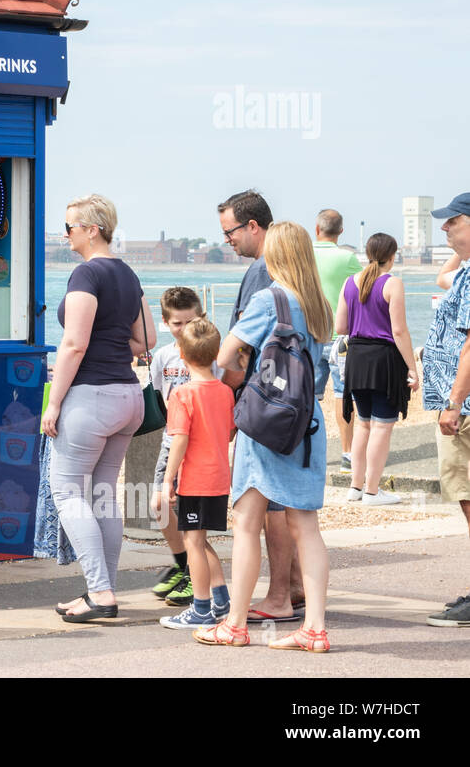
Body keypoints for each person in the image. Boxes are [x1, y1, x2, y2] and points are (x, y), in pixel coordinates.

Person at [195, 221, 333, 651]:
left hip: (267, 423)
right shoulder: (317, 304)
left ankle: (234, 624)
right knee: (305, 525)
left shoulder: (269, 298)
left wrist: (245, 373)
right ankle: (314, 627)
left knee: (246, 523)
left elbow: (222, 355)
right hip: (306, 424)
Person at [42, 194, 154, 622]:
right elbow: (147, 341)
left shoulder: (86, 274)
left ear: (92, 229)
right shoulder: (129, 274)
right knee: (104, 494)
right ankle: (102, 589)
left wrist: (53, 404)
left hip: (91, 398)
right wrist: (112, 340)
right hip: (128, 397)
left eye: (69, 227)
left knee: (68, 492)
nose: (65, 234)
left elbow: (74, 343)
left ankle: (100, 591)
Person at [216, 189, 303, 623]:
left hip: (263, 405)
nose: (227, 240)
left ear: (253, 226)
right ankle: (294, 589)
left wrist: (231, 397)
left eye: (230, 231)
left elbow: (235, 352)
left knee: (262, 507)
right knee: (290, 505)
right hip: (297, 408)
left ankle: (274, 597)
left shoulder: (260, 275)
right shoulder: (299, 283)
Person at [149, 287, 223, 606]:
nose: (183, 329)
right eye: (176, 323)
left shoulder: (210, 358)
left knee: (193, 523)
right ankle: (184, 567)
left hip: (193, 446)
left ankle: (197, 580)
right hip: (171, 440)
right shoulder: (164, 357)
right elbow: (156, 395)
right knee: (160, 506)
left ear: (201, 318)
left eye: (189, 321)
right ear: (165, 322)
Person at [160, 318, 235, 629]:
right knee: (200, 541)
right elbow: (229, 432)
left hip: (196, 479)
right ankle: (220, 599)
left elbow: (180, 439)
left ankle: (201, 608)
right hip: (219, 477)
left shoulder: (182, 394)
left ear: (181, 352)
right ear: (217, 353)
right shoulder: (226, 392)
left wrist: (167, 479)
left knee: (193, 543)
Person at [335, 233, 419, 505]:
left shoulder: (350, 283)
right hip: (383, 360)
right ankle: (372, 491)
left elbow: (340, 328)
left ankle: (355, 488)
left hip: (357, 359)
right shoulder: (393, 283)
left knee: (363, 424)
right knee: (382, 427)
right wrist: (412, 367)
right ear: (392, 256)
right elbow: (399, 330)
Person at [422, 194, 470, 627]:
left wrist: (453, 403)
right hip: (461, 406)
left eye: (452, 221)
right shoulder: (466, 272)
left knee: (469, 496)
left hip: (465, 409)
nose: (444, 229)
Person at [313, 209, 362, 468]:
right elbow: (365, 287)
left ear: (316, 229)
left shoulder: (305, 255)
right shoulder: (347, 258)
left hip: (310, 334)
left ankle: (307, 450)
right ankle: (347, 453)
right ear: (341, 231)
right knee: (344, 395)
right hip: (341, 337)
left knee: (308, 396)